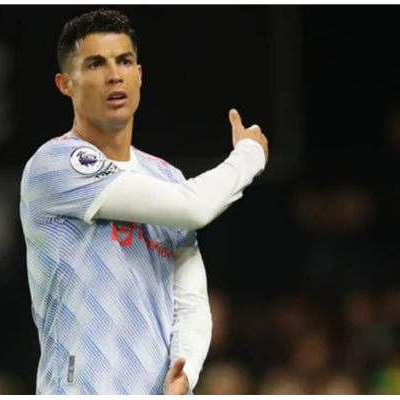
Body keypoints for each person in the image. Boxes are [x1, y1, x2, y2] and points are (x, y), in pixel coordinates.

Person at [19, 8, 269, 395]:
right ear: (65, 83)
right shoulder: (54, 165)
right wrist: (249, 156)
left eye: (125, 61)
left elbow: (189, 300)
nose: (114, 75)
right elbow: (195, 207)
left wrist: (186, 372)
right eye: (96, 64)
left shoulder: (165, 178)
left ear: (140, 74)